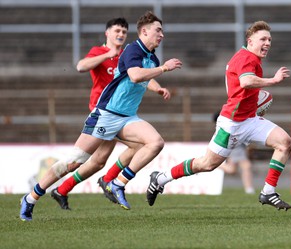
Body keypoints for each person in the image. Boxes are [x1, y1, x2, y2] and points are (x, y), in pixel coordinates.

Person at [19, 11, 183, 221]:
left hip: (127, 117)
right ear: (144, 31)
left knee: (155, 142)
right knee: (74, 162)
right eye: (158, 30)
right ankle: (31, 198)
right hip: (106, 114)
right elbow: (134, 75)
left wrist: (158, 85)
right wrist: (164, 68)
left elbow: (144, 77)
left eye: (162, 30)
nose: (162, 34)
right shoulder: (134, 49)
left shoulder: (152, 58)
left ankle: (117, 183)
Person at [146, 20, 291, 211]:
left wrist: (259, 100)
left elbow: (244, 87)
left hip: (249, 119)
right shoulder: (246, 58)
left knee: (285, 142)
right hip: (231, 124)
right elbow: (245, 81)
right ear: (250, 41)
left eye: (269, 40)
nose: (267, 43)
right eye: (262, 39)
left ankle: (268, 191)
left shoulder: (251, 58)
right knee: (206, 164)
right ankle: (161, 178)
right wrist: (273, 80)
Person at [49, 17, 137, 210]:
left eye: (124, 32)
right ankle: (107, 180)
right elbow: (81, 66)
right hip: (102, 112)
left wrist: (158, 88)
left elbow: (136, 75)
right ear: (107, 33)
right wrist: (107, 55)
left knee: (98, 161)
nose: (121, 34)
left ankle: (62, 190)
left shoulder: (126, 55)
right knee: (139, 145)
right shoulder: (99, 52)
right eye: (117, 31)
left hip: (118, 112)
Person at [212, 111, 255, 194]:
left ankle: (215, 164)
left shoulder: (224, 124)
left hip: (236, 145)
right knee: (246, 166)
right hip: (235, 146)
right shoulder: (225, 125)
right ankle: (249, 189)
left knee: (232, 170)